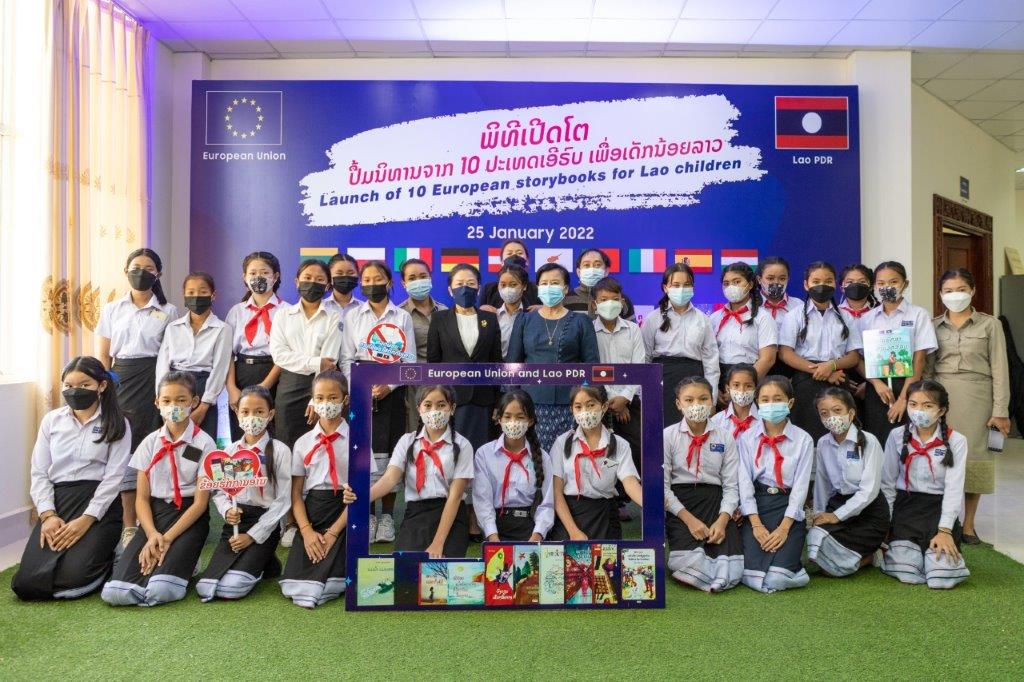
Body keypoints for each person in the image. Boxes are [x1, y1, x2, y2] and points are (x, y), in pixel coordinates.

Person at [11, 357, 130, 600]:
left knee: (75, 579)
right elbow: (39, 472)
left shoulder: (118, 423)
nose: (75, 391)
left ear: (101, 386)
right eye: (69, 385)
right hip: (59, 500)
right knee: (25, 584)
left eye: (85, 385)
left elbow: (114, 478)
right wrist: (48, 516)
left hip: (99, 503)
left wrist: (87, 519)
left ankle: (112, 552)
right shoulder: (51, 421)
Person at [101, 371, 216, 606]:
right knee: (116, 592)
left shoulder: (205, 443)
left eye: (181, 400)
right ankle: (171, 556)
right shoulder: (149, 443)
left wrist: (167, 538)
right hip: (153, 516)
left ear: (194, 402)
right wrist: (152, 534)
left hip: (188, 515)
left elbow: (200, 504)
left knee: (161, 590)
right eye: (167, 400)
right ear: (157, 403)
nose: (174, 406)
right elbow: (142, 499)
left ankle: (187, 559)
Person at [96, 247, 177, 547]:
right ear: (126, 271)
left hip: (155, 380)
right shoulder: (111, 309)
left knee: (154, 448)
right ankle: (128, 523)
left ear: (158, 274)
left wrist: (164, 392)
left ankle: (154, 518)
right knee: (123, 449)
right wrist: (104, 389)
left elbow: (169, 355)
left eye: (148, 268)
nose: (141, 272)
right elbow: (104, 355)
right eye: (135, 267)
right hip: (119, 380)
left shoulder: (169, 311)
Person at [926, 268, 1010, 544]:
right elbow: (927, 369)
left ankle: (969, 526)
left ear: (972, 290)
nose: (955, 295)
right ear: (940, 294)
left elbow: (1000, 369)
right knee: (940, 458)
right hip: (941, 398)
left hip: (978, 398)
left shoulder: (990, 325)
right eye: (948, 291)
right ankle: (944, 522)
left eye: (961, 289)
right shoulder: (933, 325)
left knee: (975, 460)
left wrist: (1000, 411)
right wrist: (924, 404)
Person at [339, 259, 417, 545]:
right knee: (364, 456)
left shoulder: (402, 317)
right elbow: (346, 358)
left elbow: (409, 361)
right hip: (360, 393)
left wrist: (389, 385)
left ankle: (386, 517)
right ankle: (368, 514)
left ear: (389, 283)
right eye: (367, 280)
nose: (372, 284)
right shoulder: (353, 316)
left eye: (378, 279)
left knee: (390, 452)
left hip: (391, 393)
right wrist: (360, 386)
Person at [196, 385, 292, 602]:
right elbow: (220, 492)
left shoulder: (280, 451)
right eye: (245, 412)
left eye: (259, 412)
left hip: (265, 523)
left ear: (270, 414)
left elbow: (283, 500)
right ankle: (266, 561)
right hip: (236, 521)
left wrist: (252, 536)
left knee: (231, 588)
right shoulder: (229, 452)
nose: (252, 418)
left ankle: (262, 556)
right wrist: (227, 511)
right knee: (206, 586)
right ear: (237, 413)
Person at [879, 380, 970, 589]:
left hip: (938, 510)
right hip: (905, 509)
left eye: (927, 405)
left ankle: (938, 552)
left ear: (941, 410)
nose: (918, 411)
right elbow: (887, 483)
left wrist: (945, 530)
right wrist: (886, 524)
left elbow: (954, 489)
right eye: (913, 404)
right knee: (907, 570)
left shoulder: (957, 440)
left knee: (942, 575)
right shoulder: (896, 435)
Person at [280, 370, 358, 608]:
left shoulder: (358, 439)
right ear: (312, 401)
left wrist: (333, 532)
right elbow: (295, 494)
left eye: (333, 398)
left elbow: (363, 491)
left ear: (345, 399)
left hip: (345, 512)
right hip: (311, 513)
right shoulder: (303, 443)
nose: (326, 403)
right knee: (295, 579)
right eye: (320, 398)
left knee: (332, 577)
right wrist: (306, 531)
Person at [370, 385, 474, 558]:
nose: (434, 411)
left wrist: (438, 543)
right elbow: (389, 479)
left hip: (451, 516)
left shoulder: (463, 445)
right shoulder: (407, 441)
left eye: (441, 405)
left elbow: (455, 497)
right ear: (419, 408)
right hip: (416, 514)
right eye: (428, 405)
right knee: (405, 569)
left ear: (452, 408)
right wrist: (362, 497)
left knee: (441, 570)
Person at [506, 263, 600, 451]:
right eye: (544, 283)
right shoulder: (524, 320)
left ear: (565, 288)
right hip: (530, 405)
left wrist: (588, 404)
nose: (549, 287)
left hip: (572, 405)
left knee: (569, 456)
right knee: (534, 458)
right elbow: (513, 364)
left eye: (555, 283)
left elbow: (592, 366)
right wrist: (511, 402)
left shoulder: (581, 321)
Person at [663, 377, 742, 592]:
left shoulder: (724, 436)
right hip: (681, 505)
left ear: (712, 401)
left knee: (731, 563)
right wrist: (689, 521)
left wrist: (723, 521)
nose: (696, 405)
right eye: (689, 400)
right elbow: (663, 487)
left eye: (703, 399)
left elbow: (731, 485)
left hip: (716, 502)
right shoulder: (667, 436)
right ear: (678, 404)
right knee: (686, 564)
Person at [737, 375, 812, 593]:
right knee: (749, 574)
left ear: (790, 402)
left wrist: (784, 528)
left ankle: (796, 571)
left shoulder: (803, 439)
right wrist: (756, 525)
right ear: (757, 402)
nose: (771, 404)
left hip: (788, 509)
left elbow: (800, 488)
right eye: (765, 399)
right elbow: (744, 483)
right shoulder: (747, 438)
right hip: (758, 508)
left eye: (778, 399)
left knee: (776, 580)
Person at [807, 387, 893, 577]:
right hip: (838, 504)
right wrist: (819, 514)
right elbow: (822, 483)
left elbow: (869, 492)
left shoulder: (869, 441)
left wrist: (836, 516)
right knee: (816, 539)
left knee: (832, 571)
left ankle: (872, 556)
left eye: (837, 410)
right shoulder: (823, 443)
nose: (831, 417)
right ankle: (852, 556)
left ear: (851, 413)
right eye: (824, 413)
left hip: (870, 513)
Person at [778, 261, 862, 443]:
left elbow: (854, 356)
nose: (822, 286)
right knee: (807, 434)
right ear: (806, 284)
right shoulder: (795, 315)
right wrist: (822, 371)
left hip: (838, 378)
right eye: (816, 281)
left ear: (836, 284)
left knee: (841, 434)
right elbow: (785, 353)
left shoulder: (845, 316)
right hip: (805, 379)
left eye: (828, 281)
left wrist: (831, 366)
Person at [548, 385, 643, 541]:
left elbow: (630, 483)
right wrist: (573, 532)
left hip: (605, 516)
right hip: (569, 517)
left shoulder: (619, 444)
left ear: (604, 406)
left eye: (591, 405)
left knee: (607, 557)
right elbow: (556, 492)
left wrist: (650, 503)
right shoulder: (562, 443)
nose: (585, 412)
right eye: (578, 407)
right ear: (572, 410)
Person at [858, 261, 937, 446]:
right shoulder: (867, 319)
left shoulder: (918, 315)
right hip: (877, 388)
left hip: (908, 385)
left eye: (893, 282)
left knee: (905, 440)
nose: (887, 287)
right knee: (877, 439)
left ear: (905, 284)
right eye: (881, 283)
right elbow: (859, 359)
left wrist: (904, 398)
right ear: (874, 286)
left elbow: (919, 359)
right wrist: (876, 383)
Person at [268, 259, 342, 448]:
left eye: (319, 279)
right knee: (286, 442)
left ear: (327, 285)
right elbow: (279, 355)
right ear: (297, 282)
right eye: (307, 278)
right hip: (288, 385)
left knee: (320, 446)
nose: (312, 283)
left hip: (322, 386)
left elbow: (330, 360)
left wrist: (316, 399)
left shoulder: (334, 316)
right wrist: (316, 362)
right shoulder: (283, 315)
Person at [155, 272, 232, 440]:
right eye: (191, 292)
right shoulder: (173, 327)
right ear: (184, 295)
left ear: (213, 295)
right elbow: (162, 364)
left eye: (203, 292)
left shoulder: (223, 329)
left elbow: (220, 368)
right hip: (173, 385)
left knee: (201, 441)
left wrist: (204, 405)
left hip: (204, 387)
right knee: (173, 439)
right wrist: (162, 397)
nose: (196, 296)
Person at [641, 263, 719, 424]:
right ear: (665, 288)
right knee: (662, 430)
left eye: (686, 285)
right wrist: (644, 394)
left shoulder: (703, 319)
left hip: (694, 380)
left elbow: (711, 362)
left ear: (693, 287)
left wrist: (713, 399)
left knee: (693, 428)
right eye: (675, 285)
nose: (681, 289)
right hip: (661, 381)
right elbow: (645, 358)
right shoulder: (653, 318)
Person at [592, 277, 646, 509]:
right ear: (595, 304)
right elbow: (590, 367)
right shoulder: (588, 331)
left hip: (629, 401)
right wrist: (608, 400)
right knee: (604, 453)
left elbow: (639, 365)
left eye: (615, 299)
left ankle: (634, 499)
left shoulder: (633, 330)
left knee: (638, 448)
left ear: (622, 301)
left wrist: (624, 398)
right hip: (599, 402)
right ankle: (611, 502)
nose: (610, 304)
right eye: (604, 299)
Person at [472, 390, 554, 541]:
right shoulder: (484, 454)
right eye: (507, 417)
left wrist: (537, 535)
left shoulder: (543, 457)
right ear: (499, 419)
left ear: (530, 421)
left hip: (531, 527)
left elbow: (546, 504)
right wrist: (493, 537)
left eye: (520, 417)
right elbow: (483, 501)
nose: (513, 422)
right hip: (496, 528)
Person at [224, 251, 283, 442]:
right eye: (253, 273)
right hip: (242, 374)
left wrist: (265, 385)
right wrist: (231, 387)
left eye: (264, 272)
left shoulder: (287, 311)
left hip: (275, 374)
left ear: (275, 276)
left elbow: (286, 353)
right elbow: (227, 353)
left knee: (273, 433)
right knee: (242, 432)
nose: (258, 277)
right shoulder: (236, 311)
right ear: (244, 277)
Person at [710, 262, 777, 399]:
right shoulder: (715, 318)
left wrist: (741, 387)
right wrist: (714, 388)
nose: (731, 287)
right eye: (726, 283)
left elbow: (768, 359)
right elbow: (708, 356)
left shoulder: (763, 317)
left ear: (750, 284)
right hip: (720, 382)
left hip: (750, 380)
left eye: (737, 282)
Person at [398, 257, 447, 431]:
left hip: (442, 382)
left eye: (423, 276)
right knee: (414, 433)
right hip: (412, 386)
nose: (418, 281)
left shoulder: (445, 311)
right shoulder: (398, 314)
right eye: (412, 278)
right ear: (404, 284)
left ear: (430, 278)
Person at [563, 248, 635, 320]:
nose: (592, 270)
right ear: (579, 272)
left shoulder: (620, 299)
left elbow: (630, 326)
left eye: (597, 265)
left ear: (606, 271)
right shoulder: (567, 299)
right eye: (587, 265)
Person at [480, 239, 540, 310]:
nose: (514, 256)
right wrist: (482, 310)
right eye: (509, 253)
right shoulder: (489, 290)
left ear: (527, 261)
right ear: (502, 262)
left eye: (519, 253)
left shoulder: (537, 289)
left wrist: (543, 309)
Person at [710, 364, 759, 440]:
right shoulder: (716, 421)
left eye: (748, 386)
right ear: (728, 389)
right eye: (736, 385)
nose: (742, 390)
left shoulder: (764, 420)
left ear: (755, 389)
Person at [493, 263, 529, 359]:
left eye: (513, 285)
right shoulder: (492, 316)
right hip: (496, 367)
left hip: (525, 367)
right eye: (503, 285)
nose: (507, 289)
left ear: (524, 286)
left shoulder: (532, 315)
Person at [322, 252, 363, 324]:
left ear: (357, 275)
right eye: (339, 273)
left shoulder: (364, 309)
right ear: (329, 276)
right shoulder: (321, 307)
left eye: (351, 273)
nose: (345, 277)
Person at [838, 263, 877, 328]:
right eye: (850, 282)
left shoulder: (880, 311)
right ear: (842, 288)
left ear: (871, 287)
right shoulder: (835, 313)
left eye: (862, 281)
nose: (856, 285)